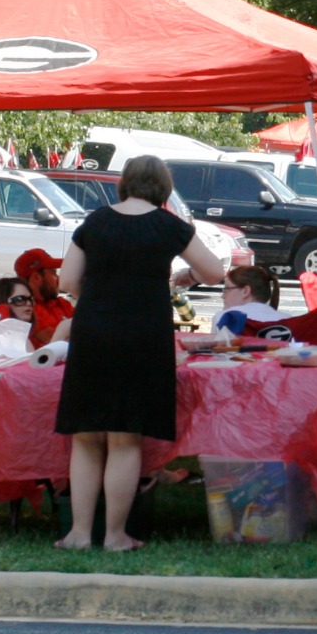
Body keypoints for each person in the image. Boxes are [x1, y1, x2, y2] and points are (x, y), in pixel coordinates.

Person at [53, 155, 224, 552]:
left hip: (93, 331)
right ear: (163, 187)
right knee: (126, 439)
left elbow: (67, 280)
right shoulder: (170, 225)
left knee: (86, 436)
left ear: (125, 182)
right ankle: (114, 535)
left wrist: (102, 295)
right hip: (144, 334)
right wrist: (188, 275)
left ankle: (79, 533)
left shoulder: (95, 221)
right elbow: (215, 272)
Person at [15, 248, 74, 350]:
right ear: (36, 277)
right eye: (53, 273)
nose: (58, 279)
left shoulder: (62, 304)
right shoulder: (25, 310)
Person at [212, 266, 287, 332]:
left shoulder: (224, 318)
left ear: (245, 291)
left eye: (226, 290)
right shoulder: (287, 320)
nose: (222, 296)